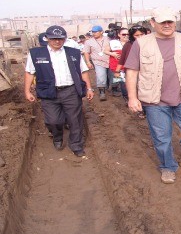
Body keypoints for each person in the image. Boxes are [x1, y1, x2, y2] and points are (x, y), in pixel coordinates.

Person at [124, 7, 181, 184]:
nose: (167, 25)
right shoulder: (141, 43)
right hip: (155, 100)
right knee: (161, 138)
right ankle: (168, 167)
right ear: (153, 23)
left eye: (170, 21)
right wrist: (132, 97)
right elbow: (132, 71)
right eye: (163, 22)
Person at [24, 25, 94, 157]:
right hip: (49, 92)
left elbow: (83, 71)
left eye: (60, 39)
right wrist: (27, 91)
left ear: (65, 39)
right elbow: (29, 73)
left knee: (75, 120)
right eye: (54, 39)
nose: (57, 41)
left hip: (71, 91)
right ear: (47, 39)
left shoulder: (73, 53)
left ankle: (76, 145)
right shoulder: (36, 54)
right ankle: (57, 136)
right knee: (53, 121)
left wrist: (89, 88)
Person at [115, 25, 148, 102]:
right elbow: (122, 59)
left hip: (146, 71)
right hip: (132, 72)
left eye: (142, 34)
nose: (140, 37)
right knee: (134, 89)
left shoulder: (150, 45)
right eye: (137, 35)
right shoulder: (128, 45)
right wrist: (117, 71)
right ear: (132, 36)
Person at [83, 25, 110, 101]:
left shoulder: (108, 39)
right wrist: (88, 62)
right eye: (93, 32)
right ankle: (102, 92)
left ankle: (113, 88)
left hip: (110, 61)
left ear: (101, 32)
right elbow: (86, 52)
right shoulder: (89, 42)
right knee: (101, 75)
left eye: (96, 32)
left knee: (112, 77)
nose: (94, 33)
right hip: (98, 62)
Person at [104, 27, 128, 97]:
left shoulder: (131, 42)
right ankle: (115, 89)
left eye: (128, 34)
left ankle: (126, 95)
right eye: (124, 34)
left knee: (125, 82)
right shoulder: (113, 43)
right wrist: (113, 54)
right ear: (119, 35)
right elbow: (105, 51)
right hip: (116, 65)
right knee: (118, 80)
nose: (126, 35)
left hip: (127, 65)